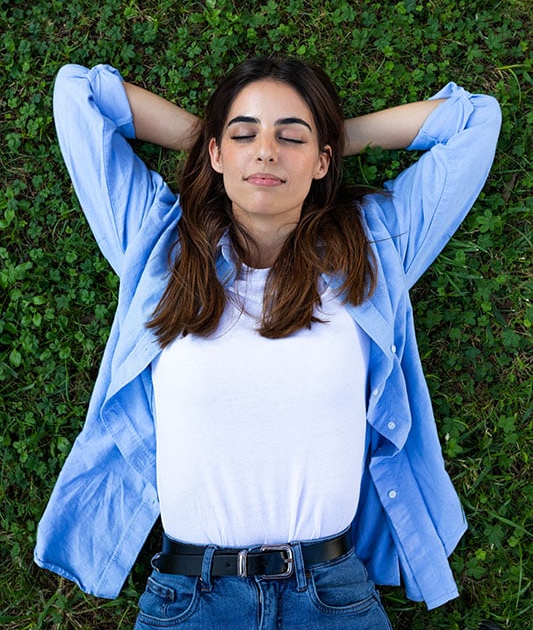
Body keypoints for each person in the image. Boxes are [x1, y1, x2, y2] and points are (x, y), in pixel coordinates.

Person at [35, 57, 501, 629]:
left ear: (323, 160)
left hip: (333, 596)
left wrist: (333, 135)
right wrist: (217, 137)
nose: (266, 152)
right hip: (191, 600)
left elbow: (476, 120)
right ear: (214, 153)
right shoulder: (157, 247)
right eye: (245, 133)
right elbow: (77, 94)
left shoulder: (376, 251)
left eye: (291, 137)